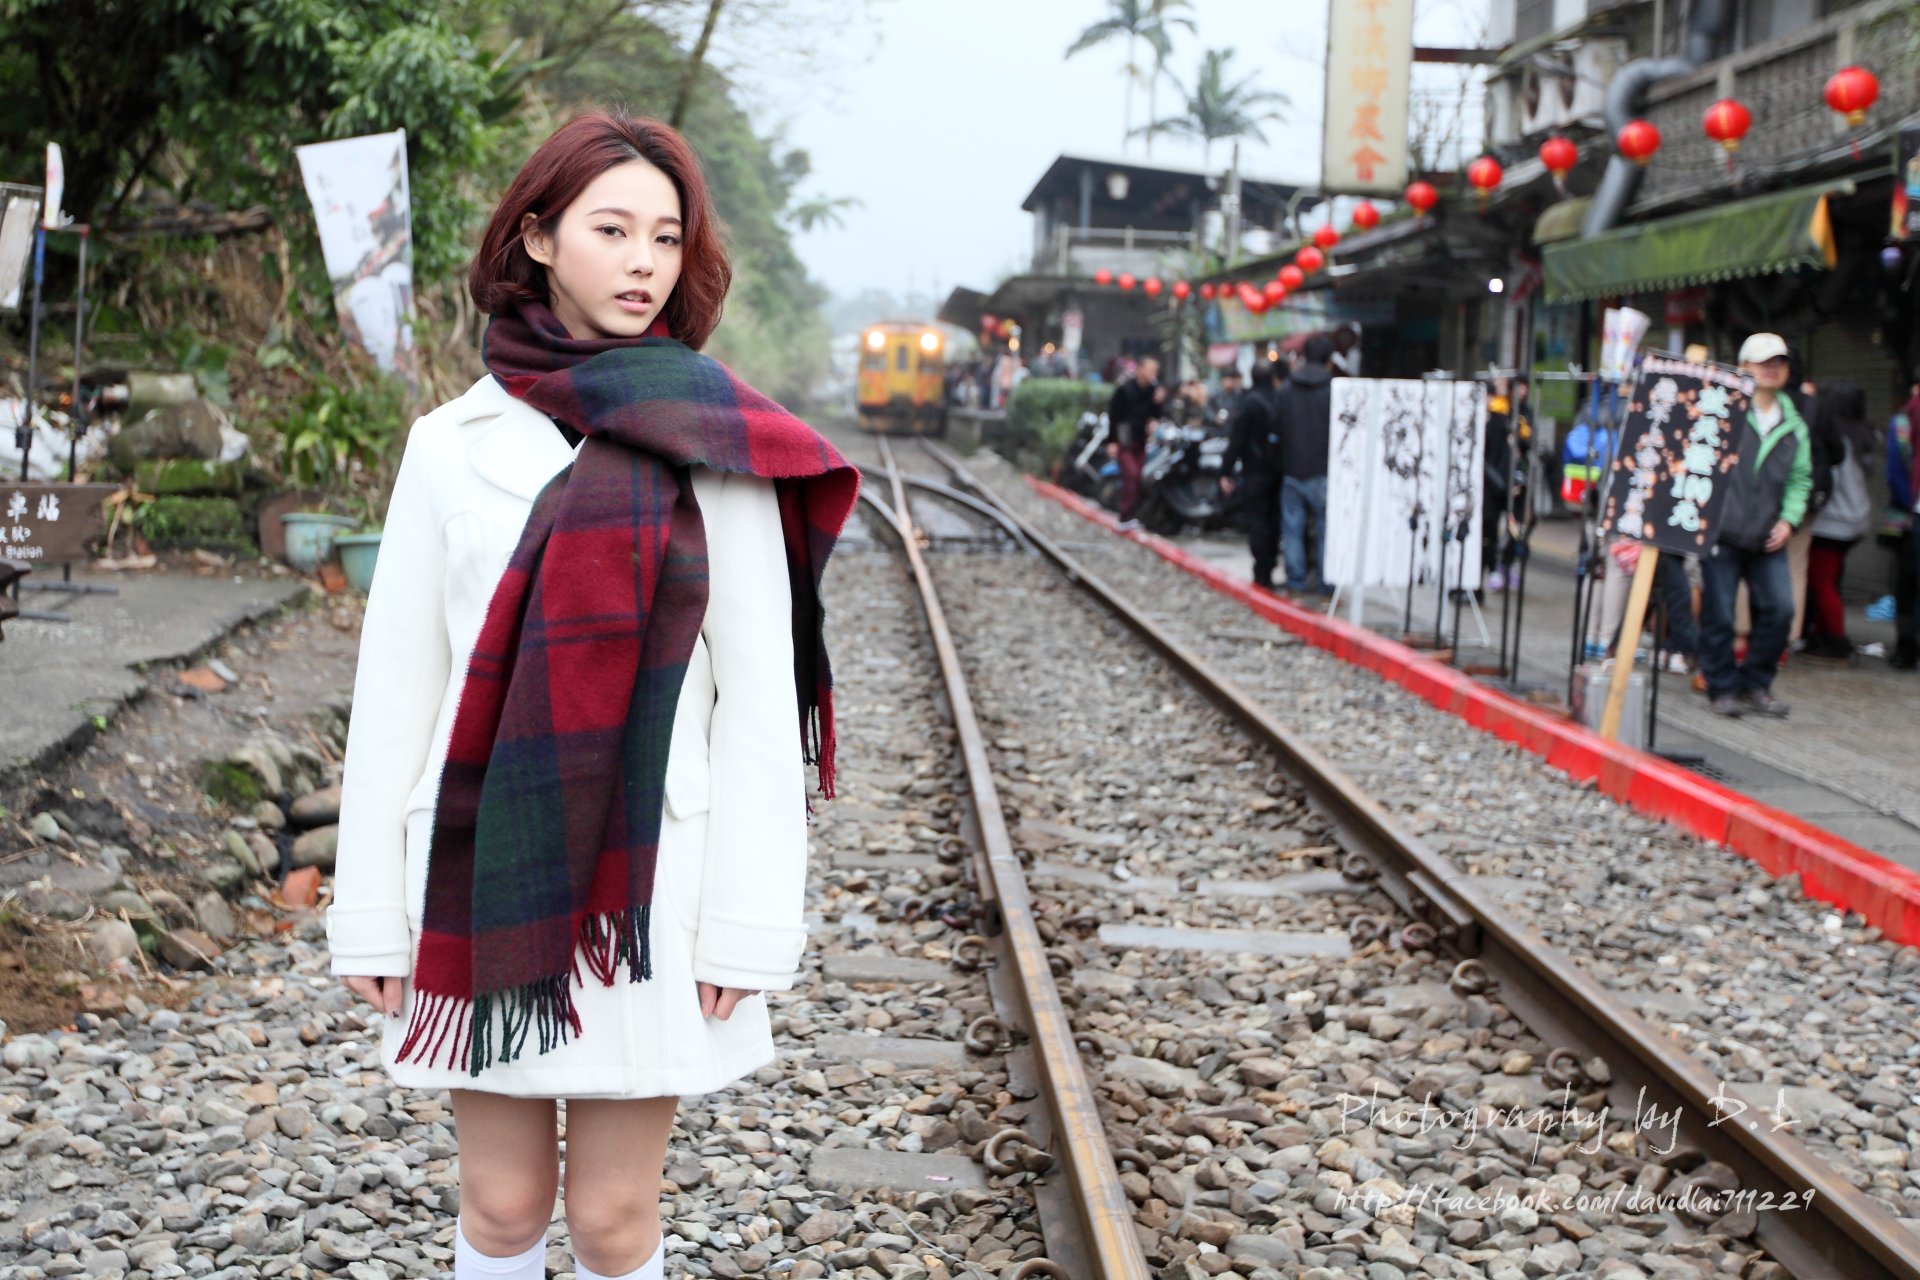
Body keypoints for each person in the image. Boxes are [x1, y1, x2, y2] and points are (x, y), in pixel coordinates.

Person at [324, 111, 860, 1280]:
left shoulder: (713, 438)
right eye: (611, 229)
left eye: (665, 237)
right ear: (538, 239)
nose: (642, 261)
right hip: (484, 862)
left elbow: (761, 701)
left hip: (651, 889)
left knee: (616, 1222)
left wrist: (753, 922)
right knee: (504, 1205)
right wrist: (365, 903)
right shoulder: (447, 444)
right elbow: (397, 687)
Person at [1699, 333, 1813, 718]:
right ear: (1743, 367)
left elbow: (1800, 480)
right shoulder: (1722, 411)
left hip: (1768, 536)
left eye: (1778, 361)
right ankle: (1722, 687)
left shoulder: (1795, 426)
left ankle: (1756, 684)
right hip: (1721, 534)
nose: (1771, 368)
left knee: (1781, 609)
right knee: (1720, 614)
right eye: (1763, 361)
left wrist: (1788, 520)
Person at [1802, 379, 1877, 659]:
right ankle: (1822, 633)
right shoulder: (1866, 436)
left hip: (1832, 522)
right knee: (1831, 579)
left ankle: (1836, 638)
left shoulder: (1836, 437)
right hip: (1857, 519)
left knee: (1822, 582)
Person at [1277, 334, 1336, 595]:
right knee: (1326, 531)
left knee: (1292, 529)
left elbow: (1276, 427)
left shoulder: (1287, 389)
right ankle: (1326, 583)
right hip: (1325, 472)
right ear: (1328, 360)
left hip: (1292, 469)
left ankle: (1296, 582)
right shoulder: (1335, 389)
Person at [1220, 361, 1284, 590]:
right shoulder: (1281, 399)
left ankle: (1262, 570)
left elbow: (1236, 440)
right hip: (1279, 471)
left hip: (1255, 472)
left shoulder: (1248, 403)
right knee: (1274, 521)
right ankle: (1269, 566)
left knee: (1258, 521)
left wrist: (1226, 471)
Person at [1482, 375, 1533, 593]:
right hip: (1493, 479)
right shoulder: (1495, 414)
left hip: (1516, 481)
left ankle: (1506, 563)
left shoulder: (1524, 415)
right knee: (1489, 525)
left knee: (1520, 524)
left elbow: (1527, 446)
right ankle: (1493, 569)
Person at [1886, 370, 1919, 670]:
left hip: (1910, 515)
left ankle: (1907, 649)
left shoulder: (1902, 421)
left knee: (1908, 584)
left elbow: (1895, 472)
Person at [1106, 354, 1162, 526]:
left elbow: (1156, 415)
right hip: (1124, 439)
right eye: (1150, 370)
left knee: (1138, 477)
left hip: (1141, 439)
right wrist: (1112, 441)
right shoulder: (1124, 389)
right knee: (1131, 474)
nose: (1152, 374)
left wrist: (1158, 404)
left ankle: (1132, 514)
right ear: (1140, 369)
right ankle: (1125, 515)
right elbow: (1113, 416)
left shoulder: (1152, 391)